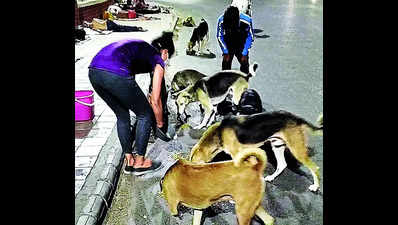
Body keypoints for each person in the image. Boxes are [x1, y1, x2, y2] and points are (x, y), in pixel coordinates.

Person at [88, 31, 175, 175]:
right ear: (164, 52)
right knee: (145, 114)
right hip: (114, 71)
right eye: (167, 58)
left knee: (122, 115)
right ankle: (140, 162)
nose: (166, 61)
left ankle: (129, 161)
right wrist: (159, 124)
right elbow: (156, 100)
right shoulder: (157, 58)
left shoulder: (140, 51)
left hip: (94, 71)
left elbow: (129, 85)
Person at [216, 5, 254, 74]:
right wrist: (225, 51)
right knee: (225, 66)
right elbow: (219, 36)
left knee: (244, 65)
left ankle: (244, 81)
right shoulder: (221, 20)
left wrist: (245, 52)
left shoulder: (247, 20)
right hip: (228, 41)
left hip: (242, 41)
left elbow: (250, 36)